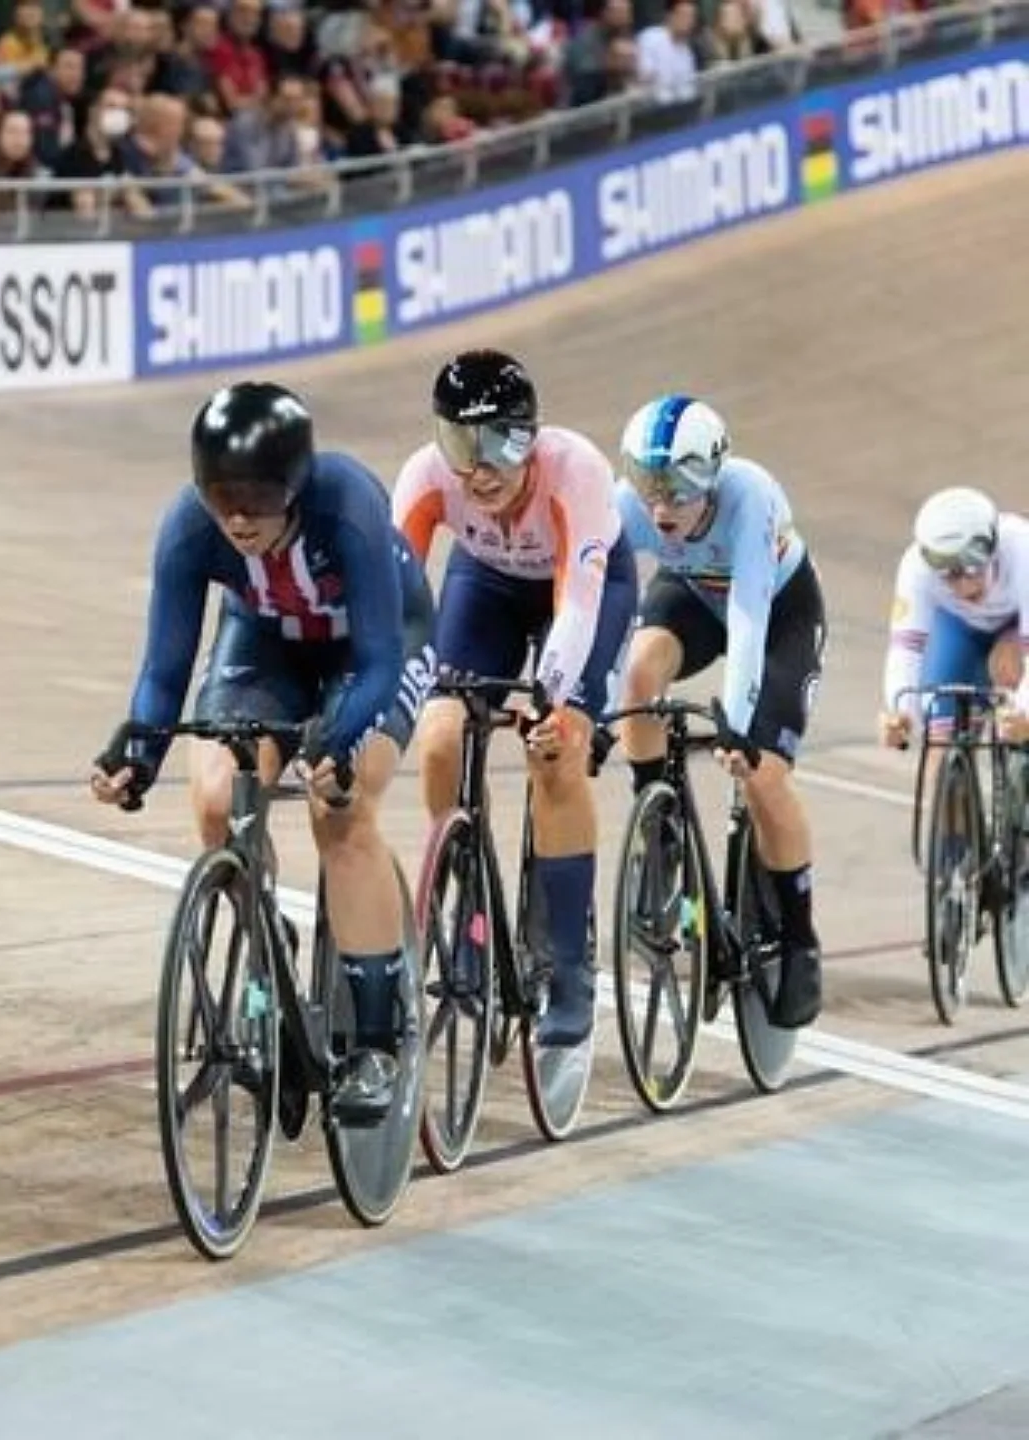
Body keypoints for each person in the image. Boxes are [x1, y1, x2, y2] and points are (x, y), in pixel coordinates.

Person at [89, 380, 438, 1125]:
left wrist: (337, 743)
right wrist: (138, 754)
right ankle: (264, 930)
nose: (239, 516)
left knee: (338, 807)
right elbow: (163, 671)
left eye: (257, 495)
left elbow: (379, 657)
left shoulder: (346, 502)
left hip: (377, 643)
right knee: (217, 798)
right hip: (268, 642)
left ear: (297, 484)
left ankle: (375, 1040)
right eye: (223, 497)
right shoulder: (191, 525)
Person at [392, 349, 638, 1050]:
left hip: (585, 591)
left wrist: (550, 699)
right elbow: (391, 603)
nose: (481, 466)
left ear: (533, 432)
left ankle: (568, 966)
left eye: (502, 440)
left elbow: (578, 606)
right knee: (440, 735)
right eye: (461, 443)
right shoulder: (425, 477)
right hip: (487, 585)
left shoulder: (577, 472)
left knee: (558, 755)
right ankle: (466, 905)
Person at [614, 393, 826, 1030]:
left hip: (778, 610)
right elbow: (604, 608)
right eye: (649, 483)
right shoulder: (628, 508)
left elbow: (750, 616)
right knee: (640, 672)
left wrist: (737, 720)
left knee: (763, 775)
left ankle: (798, 936)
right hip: (691, 597)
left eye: (679, 486)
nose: (661, 504)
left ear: (711, 473)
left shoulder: (750, 495)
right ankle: (660, 833)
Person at [878, 487, 1029, 750]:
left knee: (1008, 668)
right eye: (947, 572)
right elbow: (905, 651)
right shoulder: (915, 569)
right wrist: (901, 714)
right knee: (940, 742)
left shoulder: (1022, 551)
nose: (963, 586)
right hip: (961, 627)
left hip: (1015, 624)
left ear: (993, 546)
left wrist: (1024, 712)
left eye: (972, 565)